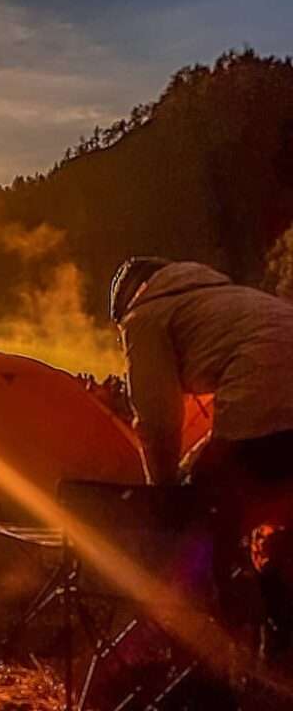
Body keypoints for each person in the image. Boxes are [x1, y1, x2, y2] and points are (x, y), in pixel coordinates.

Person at [110, 257, 293, 655]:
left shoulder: (145, 316)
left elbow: (157, 421)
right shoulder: (230, 299)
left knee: (209, 518)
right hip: (270, 405)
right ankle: (281, 636)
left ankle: (224, 650)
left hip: (265, 402)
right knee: (279, 519)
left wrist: (164, 494)